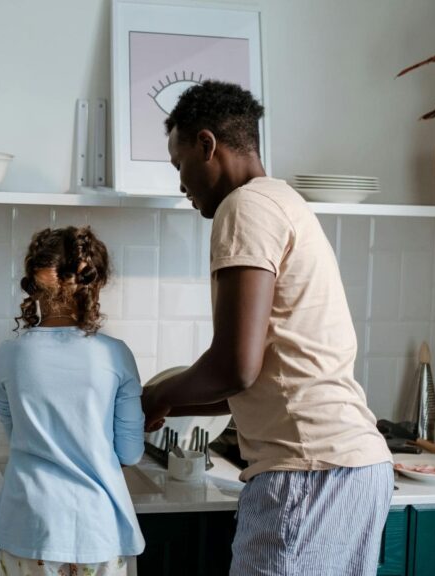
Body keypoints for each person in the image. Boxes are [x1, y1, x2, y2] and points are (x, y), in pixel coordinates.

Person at [141, 80, 393, 576]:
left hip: (308, 471)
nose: (180, 183)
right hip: (352, 466)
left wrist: (150, 397)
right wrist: (173, 400)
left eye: (179, 164)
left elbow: (235, 367)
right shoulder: (284, 201)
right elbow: (256, 379)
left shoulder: (245, 207)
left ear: (207, 144)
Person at [0, 226, 145, 576]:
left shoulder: (10, 355)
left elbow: (16, 432)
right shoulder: (115, 356)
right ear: (97, 284)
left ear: (33, 284)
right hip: (97, 529)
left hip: (28, 527)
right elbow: (130, 453)